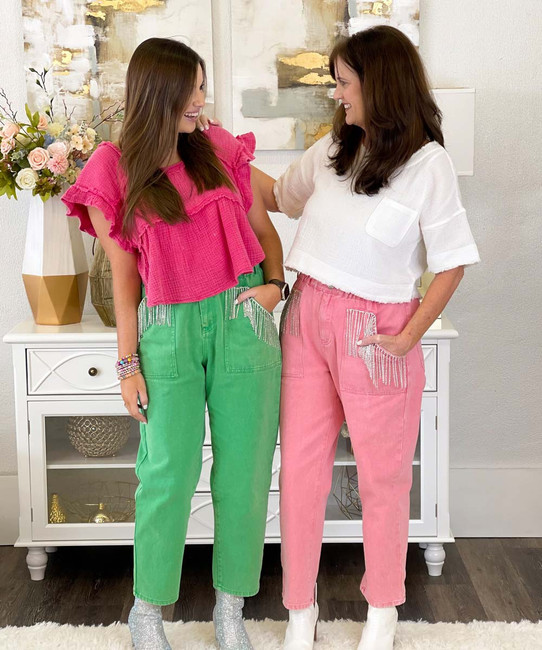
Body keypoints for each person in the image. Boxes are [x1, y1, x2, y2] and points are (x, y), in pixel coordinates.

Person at [254, 25, 480, 650]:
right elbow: (278, 198)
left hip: (376, 331)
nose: (336, 93)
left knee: (382, 478)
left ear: (378, 83)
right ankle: (301, 612)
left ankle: (383, 610)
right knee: (300, 473)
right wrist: (223, 155)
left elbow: (453, 259)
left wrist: (409, 337)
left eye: (345, 81)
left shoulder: (428, 164)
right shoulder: (332, 148)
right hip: (305, 319)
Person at [62, 37, 287, 650]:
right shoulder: (112, 167)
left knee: (243, 473)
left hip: (240, 318)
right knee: (166, 472)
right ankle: (147, 611)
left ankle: (230, 608)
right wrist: (127, 363)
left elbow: (266, 221)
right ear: (156, 91)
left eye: (202, 86)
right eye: (190, 89)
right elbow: (124, 277)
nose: (200, 100)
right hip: (167, 329)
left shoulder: (216, 148)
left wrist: (273, 286)